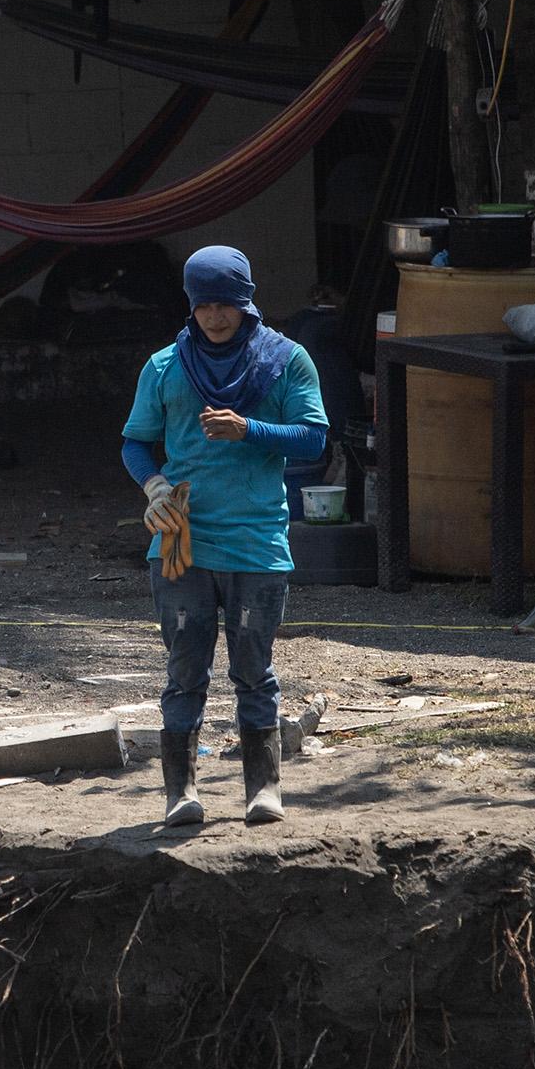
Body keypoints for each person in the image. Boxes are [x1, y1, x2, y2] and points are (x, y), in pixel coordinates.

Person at [120, 245, 327, 828]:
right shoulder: (165, 367)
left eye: (226, 306)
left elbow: (313, 439)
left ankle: (263, 790)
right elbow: (135, 442)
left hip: (256, 544)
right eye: (204, 306)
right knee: (185, 669)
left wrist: (249, 429)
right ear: (191, 306)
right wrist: (155, 485)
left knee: (253, 669)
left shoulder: (287, 361)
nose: (215, 318)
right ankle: (179, 793)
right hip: (182, 542)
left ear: (247, 302)